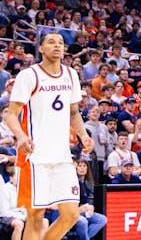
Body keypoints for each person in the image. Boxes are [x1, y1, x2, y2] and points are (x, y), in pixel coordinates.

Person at [2, 32, 93, 240]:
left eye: (60, 43)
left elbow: (73, 113)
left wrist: (83, 135)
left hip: (62, 156)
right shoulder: (30, 75)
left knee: (71, 215)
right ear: (41, 48)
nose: (57, 46)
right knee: (36, 218)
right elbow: (10, 114)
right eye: (51, 42)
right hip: (35, 157)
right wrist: (21, 137)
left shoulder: (71, 74)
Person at [72, 160, 106, 240]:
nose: (82, 168)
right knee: (83, 222)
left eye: (84, 166)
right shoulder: (73, 181)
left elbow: (89, 200)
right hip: (75, 210)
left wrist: (91, 207)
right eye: (80, 166)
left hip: (86, 210)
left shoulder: (89, 183)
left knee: (102, 219)